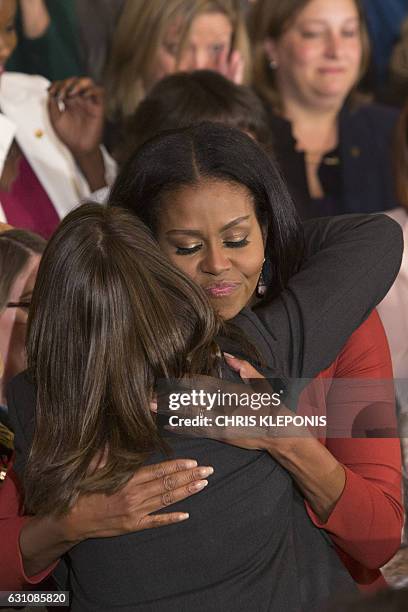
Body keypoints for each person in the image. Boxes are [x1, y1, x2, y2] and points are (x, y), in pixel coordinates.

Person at [3, 128, 403, 593]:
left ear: (266, 231)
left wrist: (286, 439)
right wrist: (70, 524)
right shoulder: (91, 364)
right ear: (144, 250)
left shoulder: (343, 322)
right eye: (187, 247)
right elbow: (16, 577)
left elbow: (379, 536)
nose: (217, 265)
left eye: (236, 238)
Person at [248, 0, 400, 218]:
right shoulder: (243, 137)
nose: (336, 51)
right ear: (271, 47)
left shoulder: (394, 132)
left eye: (348, 32)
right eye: (314, 33)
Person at [0, 0, 116, 238]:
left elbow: (117, 241)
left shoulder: (39, 96)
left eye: (8, 28)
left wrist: (88, 158)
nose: (3, 48)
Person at [103, 0, 251, 151]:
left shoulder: (253, 124)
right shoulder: (99, 138)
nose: (199, 67)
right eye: (176, 48)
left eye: (216, 49)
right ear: (140, 48)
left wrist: (232, 114)